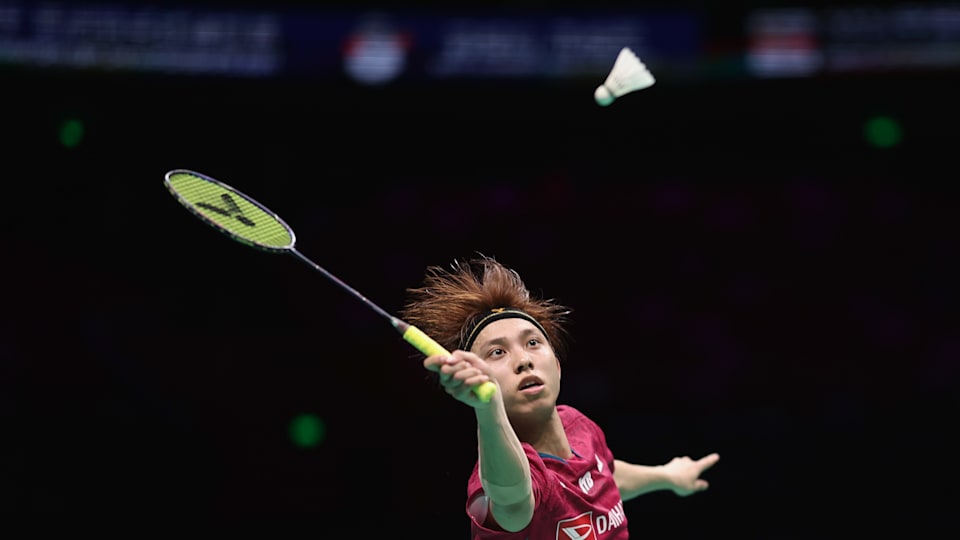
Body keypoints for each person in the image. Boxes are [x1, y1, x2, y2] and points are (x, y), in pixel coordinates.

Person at [399, 254, 720, 539]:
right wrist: (487, 407)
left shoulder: (578, 426)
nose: (523, 360)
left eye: (533, 343)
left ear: (556, 367)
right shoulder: (511, 477)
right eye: (497, 352)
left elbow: (603, 476)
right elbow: (512, 499)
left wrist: (668, 475)